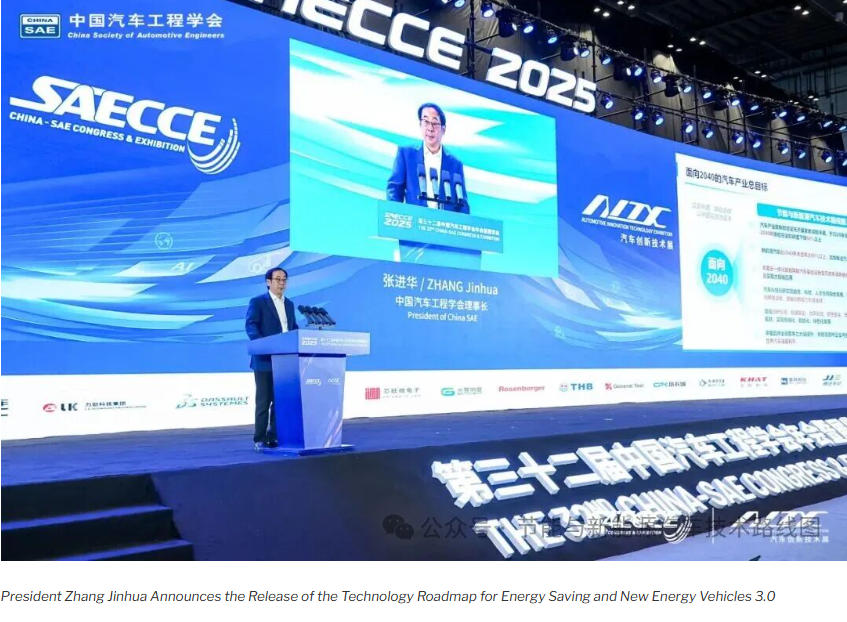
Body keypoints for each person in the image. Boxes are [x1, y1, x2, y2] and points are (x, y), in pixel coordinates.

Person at [245, 267, 298, 451]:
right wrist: (263, 345)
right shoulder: (258, 302)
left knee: (279, 401)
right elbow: (251, 325)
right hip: (264, 360)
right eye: (278, 279)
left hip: (285, 361)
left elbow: (292, 328)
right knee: (263, 401)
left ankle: (274, 436)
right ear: (268, 282)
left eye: (284, 279)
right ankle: (259, 438)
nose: (282, 283)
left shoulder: (289, 304)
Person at [386, 103, 470, 213]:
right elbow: (394, 190)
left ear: (443, 130)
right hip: (415, 221)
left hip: (444, 222)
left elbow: (462, 204)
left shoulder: (455, 164)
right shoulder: (406, 155)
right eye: (426, 122)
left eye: (435, 123)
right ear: (420, 125)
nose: (430, 128)